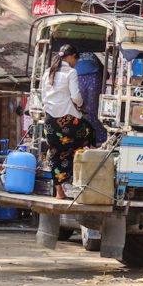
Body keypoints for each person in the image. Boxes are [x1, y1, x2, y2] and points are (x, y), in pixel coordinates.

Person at [40, 44, 94, 199]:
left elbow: (44, 97)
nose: (76, 62)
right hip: (67, 120)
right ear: (71, 57)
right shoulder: (71, 72)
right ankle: (82, 176)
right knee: (89, 133)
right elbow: (76, 96)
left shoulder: (46, 73)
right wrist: (81, 105)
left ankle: (59, 193)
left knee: (55, 154)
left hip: (49, 121)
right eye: (76, 58)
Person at [75, 52, 107, 147]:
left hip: (80, 79)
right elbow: (106, 73)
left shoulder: (72, 56)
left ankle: (83, 140)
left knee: (81, 111)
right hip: (94, 79)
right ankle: (99, 140)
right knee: (94, 111)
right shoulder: (92, 55)